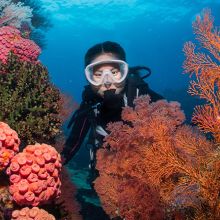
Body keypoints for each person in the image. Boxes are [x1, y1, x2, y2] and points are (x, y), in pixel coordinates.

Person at [61, 41, 163, 184]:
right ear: (88, 78)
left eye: (114, 73)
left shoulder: (142, 97)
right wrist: (55, 165)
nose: (107, 82)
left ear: (124, 72)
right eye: (98, 75)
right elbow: (73, 143)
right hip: (110, 183)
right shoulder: (90, 105)